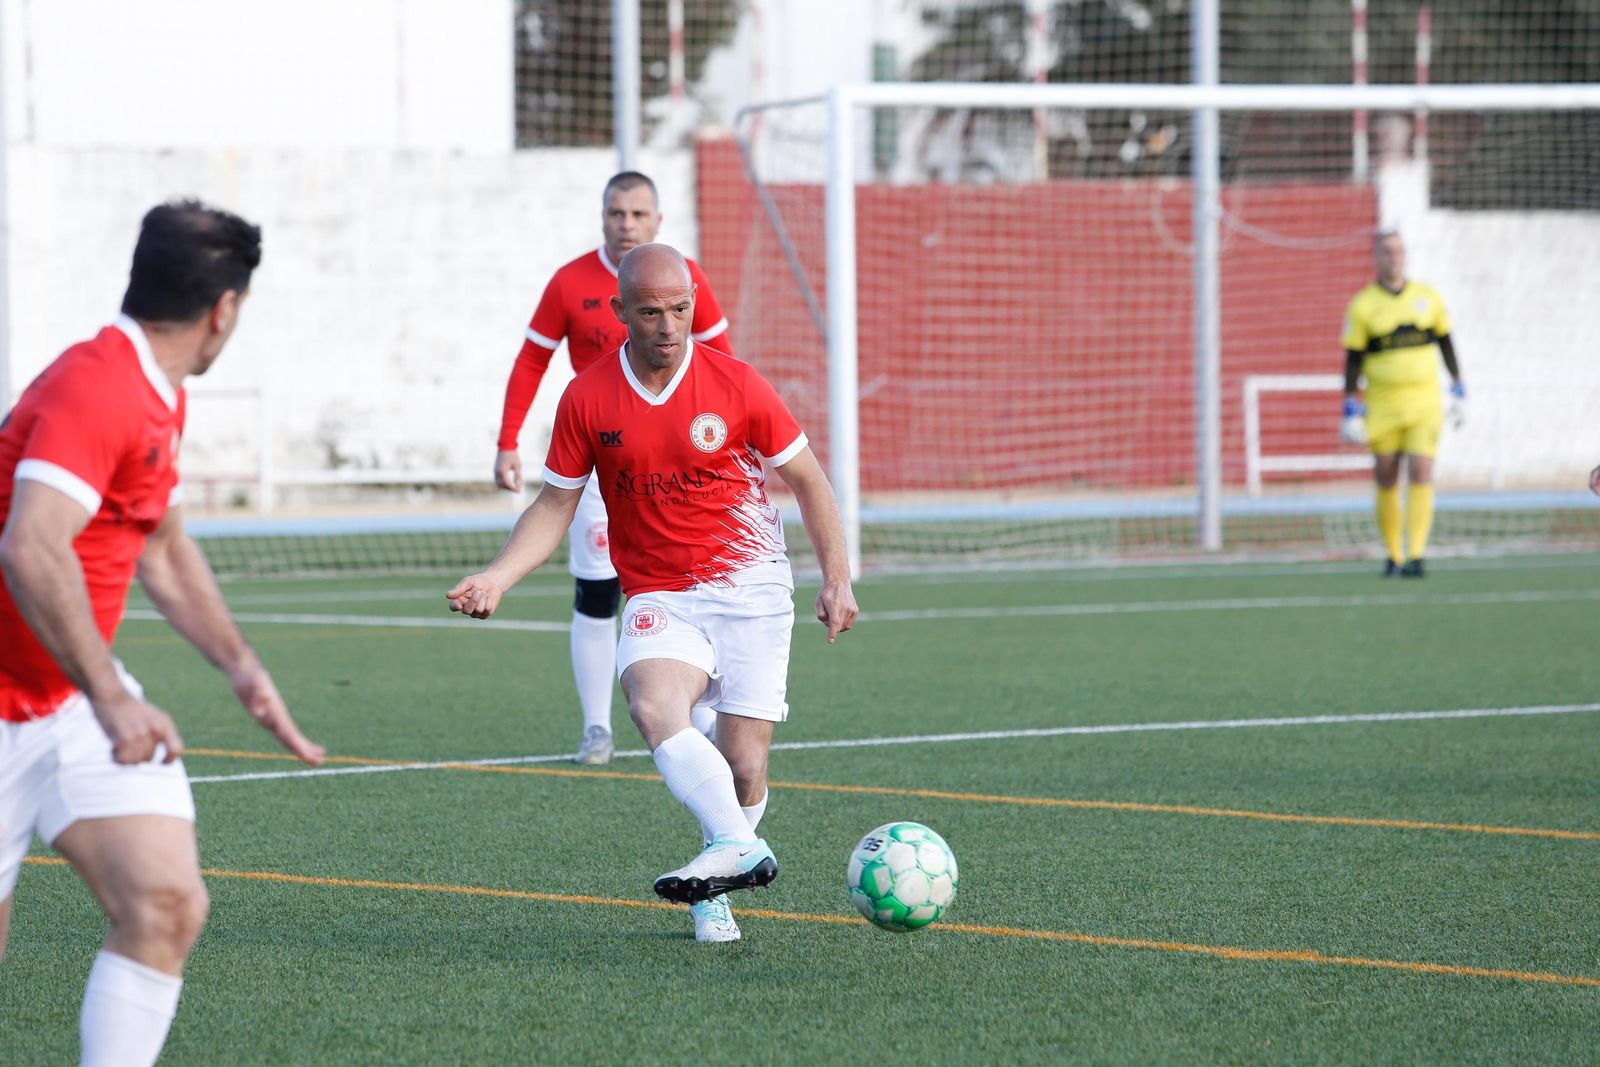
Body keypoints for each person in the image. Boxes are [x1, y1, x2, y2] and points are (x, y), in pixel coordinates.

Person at [452, 243, 856, 944]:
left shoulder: (737, 383)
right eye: (650, 313)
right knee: (650, 704)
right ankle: (738, 850)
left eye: (679, 309)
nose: (668, 326)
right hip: (660, 592)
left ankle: (720, 875)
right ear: (619, 312)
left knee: (744, 765)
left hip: (751, 585)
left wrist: (837, 577)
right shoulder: (587, 397)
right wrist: (496, 576)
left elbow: (810, 481)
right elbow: (554, 504)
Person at [0, 200, 325, 1067]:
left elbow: (163, 545)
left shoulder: (156, 391)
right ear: (225, 308)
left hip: (65, 701)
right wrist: (113, 695)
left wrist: (242, 668)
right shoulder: (97, 386)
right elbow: (32, 544)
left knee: (167, 902)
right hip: (53, 698)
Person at [494, 171, 735, 766]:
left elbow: (726, 368)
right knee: (598, 590)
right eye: (616, 213)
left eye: (638, 213)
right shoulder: (569, 281)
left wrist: (737, 445)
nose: (626, 224)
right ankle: (596, 728)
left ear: (658, 220)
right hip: (602, 468)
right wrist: (507, 441)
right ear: (603, 217)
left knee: (695, 582)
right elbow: (531, 361)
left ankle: (703, 712)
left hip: (681, 469)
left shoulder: (685, 277)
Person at [1339, 231, 1465, 578]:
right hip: (1383, 404)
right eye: (1386, 251)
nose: (1393, 257)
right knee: (1386, 474)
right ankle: (1394, 555)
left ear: (1404, 255)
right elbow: (1353, 359)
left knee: (1422, 470)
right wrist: (1349, 405)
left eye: (1398, 251)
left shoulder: (1427, 297)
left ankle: (1417, 554)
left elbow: (1446, 342)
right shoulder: (1363, 305)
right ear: (1376, 256)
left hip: (1424, 403)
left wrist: (1458, 387)